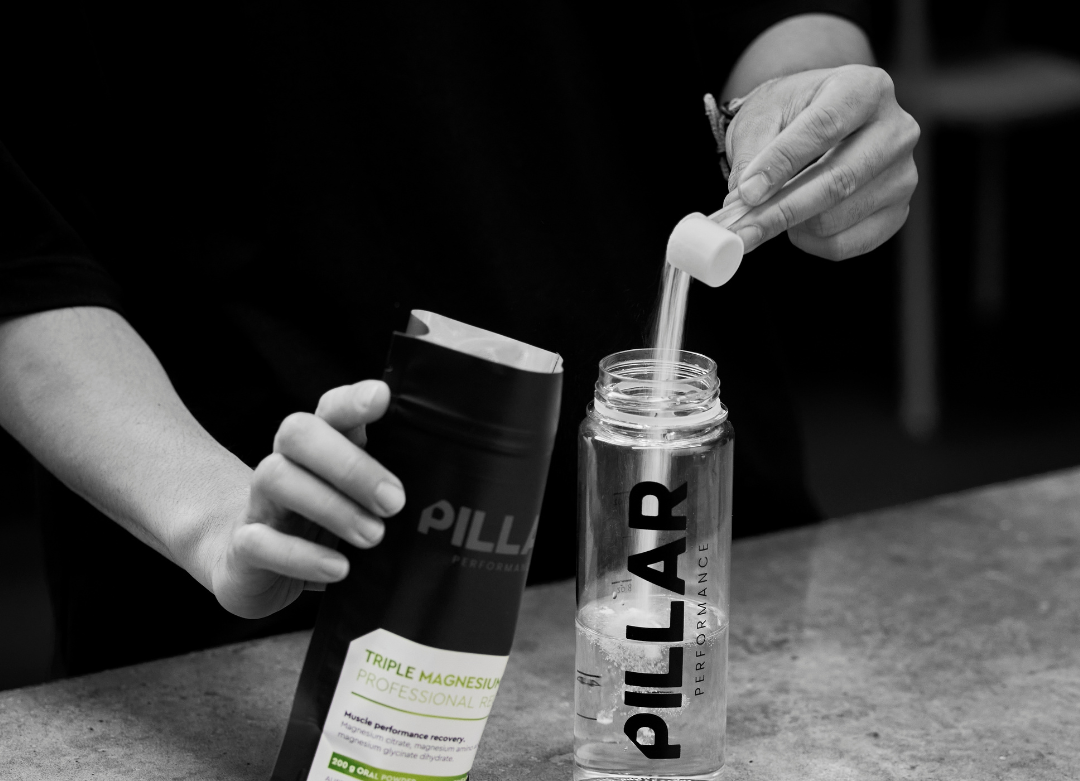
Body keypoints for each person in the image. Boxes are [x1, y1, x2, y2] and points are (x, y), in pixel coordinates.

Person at [0, 3, 917, 675]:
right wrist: (215, 517)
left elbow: (776, 16)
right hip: (277, 596)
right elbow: (20, 256)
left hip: (696, 569)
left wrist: (802, 104)